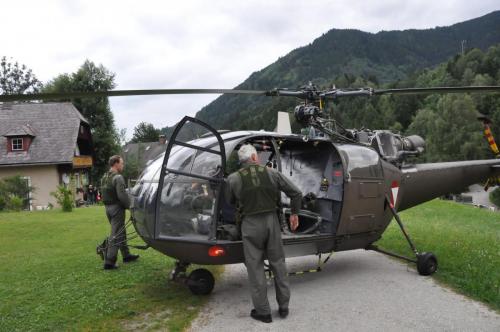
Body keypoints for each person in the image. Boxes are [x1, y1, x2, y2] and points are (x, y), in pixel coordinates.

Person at [226, 144, 302, 323]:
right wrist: (295, 214)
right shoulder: (272, 173)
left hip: (249, 225)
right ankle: (283, 307)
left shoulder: (233, 179)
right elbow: (296, 193)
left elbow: (230, 201)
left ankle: (263, 312)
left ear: (241, 161)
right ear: (254, 158)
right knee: (278, 264)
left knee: (255, 268)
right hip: (272, 223)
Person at [100, 155, 139, 270]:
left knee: (120, 231)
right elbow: (122, 196)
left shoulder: (105, 176)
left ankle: (126, 255)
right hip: (117, 208)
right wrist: (130, 206)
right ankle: (109, 261)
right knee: (116, 234)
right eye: (121, 163)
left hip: (108, 208)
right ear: (116, 164)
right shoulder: (118, 178)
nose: (123, 165)